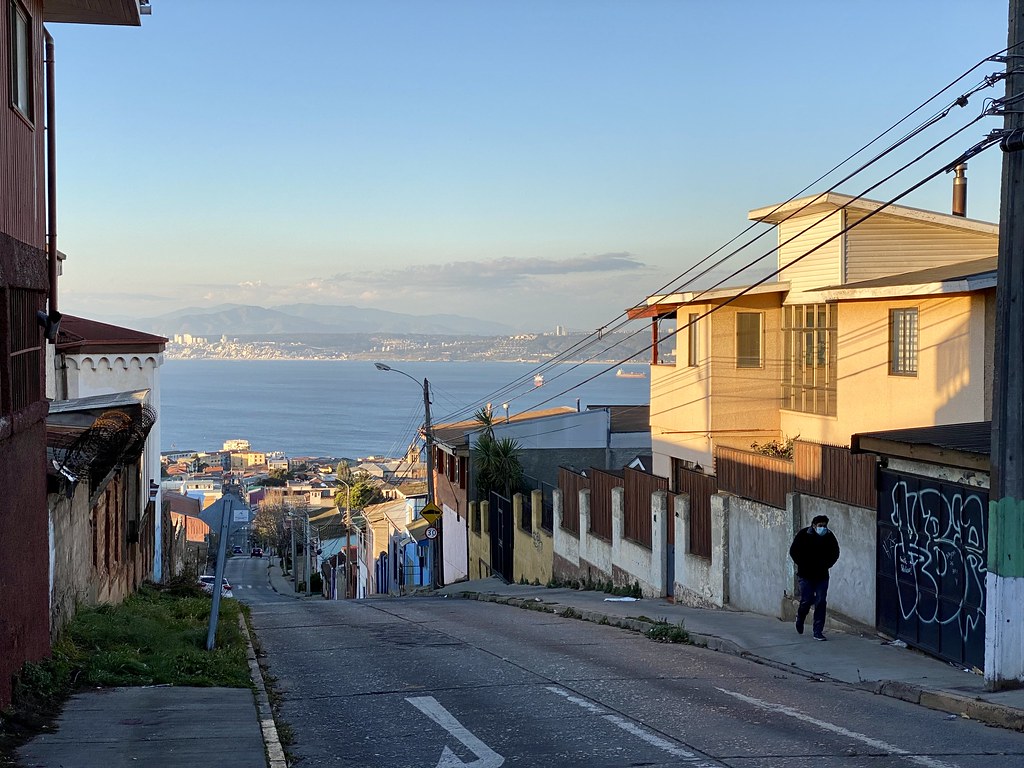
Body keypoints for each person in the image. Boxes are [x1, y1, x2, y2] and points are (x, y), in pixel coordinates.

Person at [789, 514, 840, 641]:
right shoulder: (803, 535)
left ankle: (818, 631)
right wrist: (803, 563)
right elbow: (794, 551)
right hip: (806, 575)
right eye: (820, 526)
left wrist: (827, 564)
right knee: (807, 600)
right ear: (813, 526)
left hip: (822, 575)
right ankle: (800, 617)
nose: (822, 528)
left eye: (824, 526)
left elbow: (835, 552)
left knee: (821, 601)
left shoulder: (829, 536)